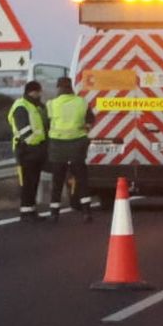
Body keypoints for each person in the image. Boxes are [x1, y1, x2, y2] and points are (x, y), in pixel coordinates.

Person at [45, 76, 96, 222]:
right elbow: (90, 120)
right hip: (77, 144)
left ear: (58, 88)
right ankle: (86, 212)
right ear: (70, 87)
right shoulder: (81, 102)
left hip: (57, 145)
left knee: (57, 181)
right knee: (81, 179)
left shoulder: (51, 104)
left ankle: (54, 213)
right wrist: (84, 130)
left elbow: (46, 123)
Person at [6, 80, 48, 223]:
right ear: (33, 92)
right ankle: (25, 212)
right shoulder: (21, 106)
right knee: (27, 182)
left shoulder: (34, 106)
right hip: (26, 150)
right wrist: (34, 144)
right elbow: (24, 130)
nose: (40, 94)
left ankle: (31, 210)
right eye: (38, 92)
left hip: (35, 150)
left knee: (34, 181)